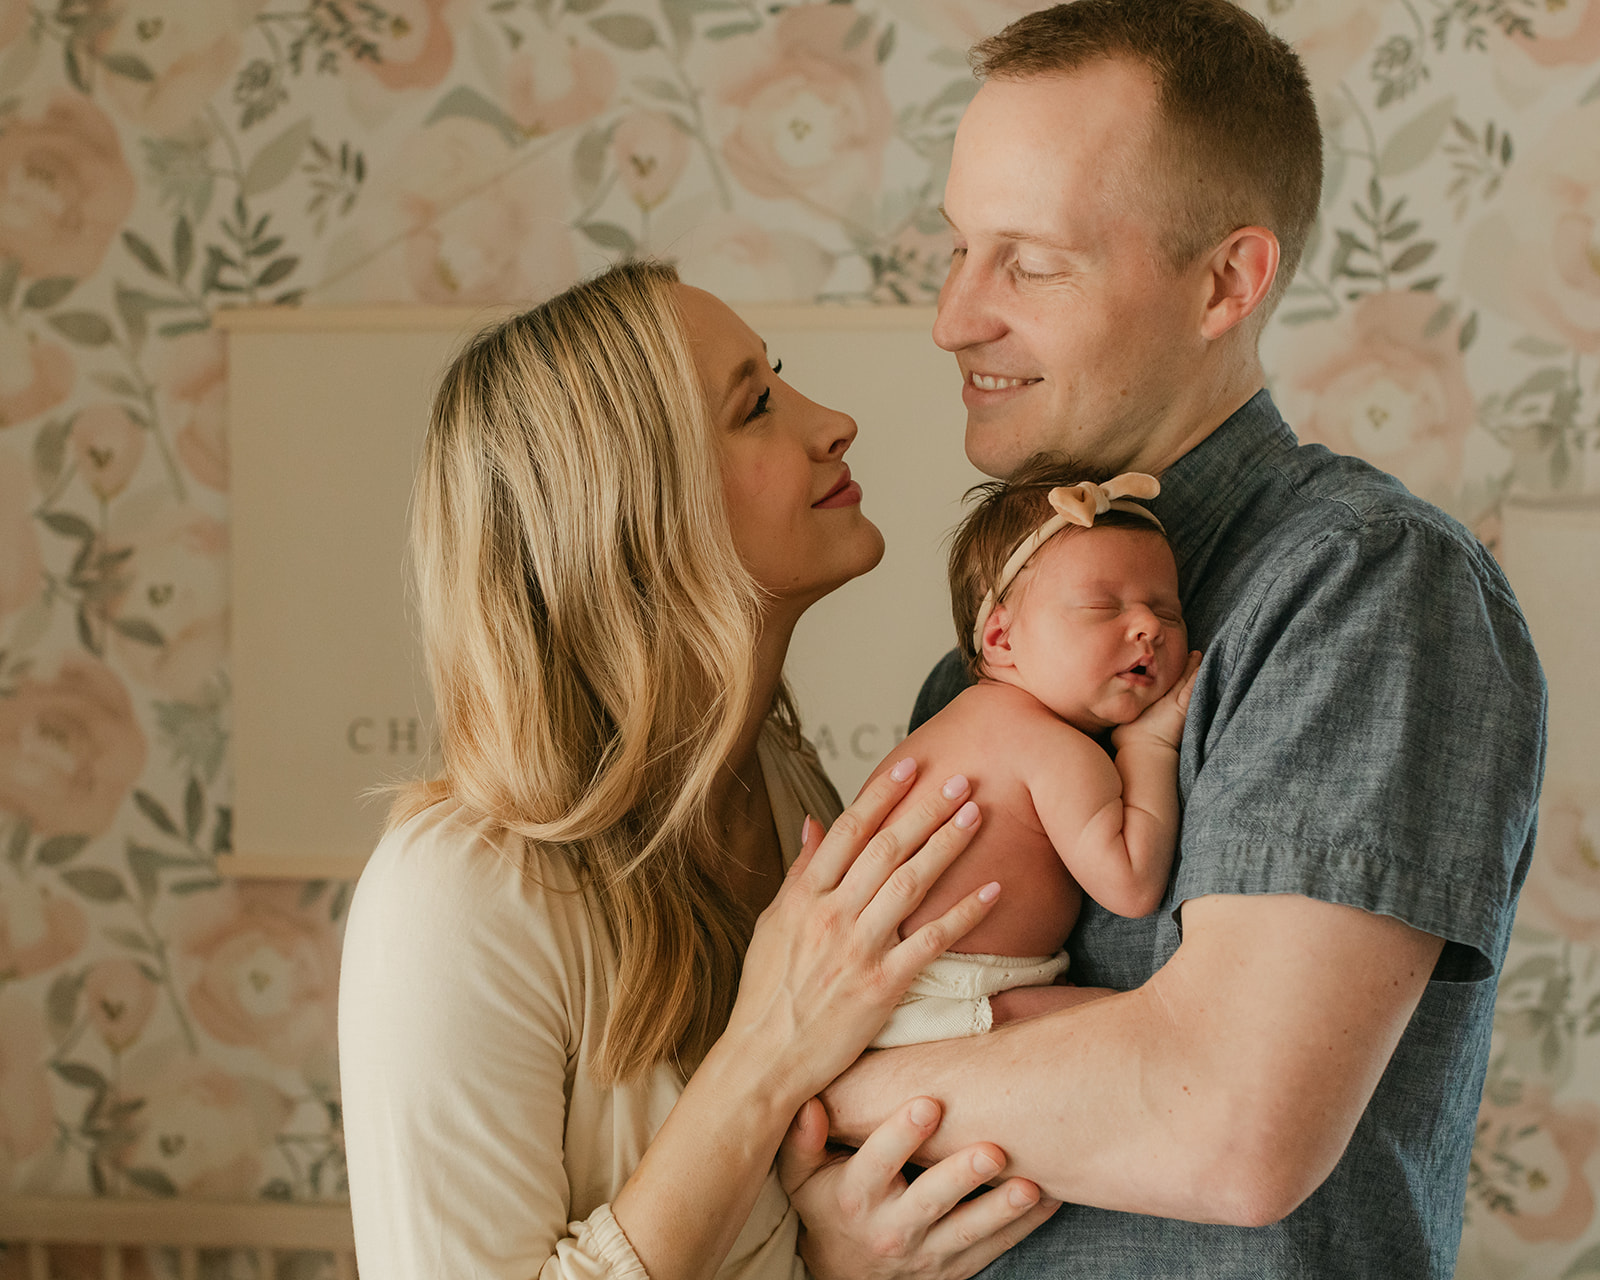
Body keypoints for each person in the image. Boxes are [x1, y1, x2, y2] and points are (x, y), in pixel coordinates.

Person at [776, 3, 1547, 1277]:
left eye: (1029, 260)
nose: (953, 317)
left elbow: (1227, 1124)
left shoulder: (1358, 584)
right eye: (962, 248)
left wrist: (789, 1084)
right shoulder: (986, 664)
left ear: (1224, 282)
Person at [337, 260, 1058, 1280]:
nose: (833, 420)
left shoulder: (780, 780)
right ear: (630, 511)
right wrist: (765, 1054)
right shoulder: (452, 896)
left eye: (779, 379)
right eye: (755, 406)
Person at [865, 459, 1199, 1049]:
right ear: (1002, 638)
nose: (1148, 624)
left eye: (1168, 609)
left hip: (888, 990)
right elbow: (1131, 882)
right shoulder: (1049, 748)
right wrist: (1150, 742)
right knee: (1150, 1027)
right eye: (1103, 608)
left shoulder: (964, 720)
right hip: (946, 997)